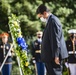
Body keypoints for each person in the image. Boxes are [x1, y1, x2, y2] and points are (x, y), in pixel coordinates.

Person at [36, 4, 68, 75]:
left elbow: (55, 39)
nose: (41, 18)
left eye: (40, 16)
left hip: (53, 57)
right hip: (50, 57)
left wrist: (56, 55)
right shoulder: (50, 21)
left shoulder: (53, 21)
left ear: (44, 13)